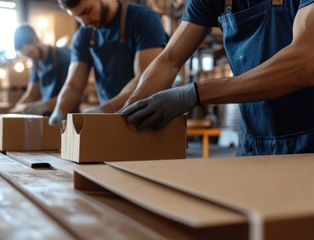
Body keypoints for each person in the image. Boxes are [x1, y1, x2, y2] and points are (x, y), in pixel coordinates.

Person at [122, 1, 314, 156]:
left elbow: (306, 62)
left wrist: (192, 95)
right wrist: (129, 113)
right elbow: (169, 59)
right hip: (254, 143)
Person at [49, 0, 167, 124]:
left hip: (147, 119)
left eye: (86, 11)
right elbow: (73, 85)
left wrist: (105, 109)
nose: (84, 22)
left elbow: (147, 79)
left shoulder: (142, 19)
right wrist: (59, 111)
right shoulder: (84, 34)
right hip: (111, 122)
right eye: (78, 17)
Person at [10, 24, 71, 115]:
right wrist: (16, 110)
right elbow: (32, 95)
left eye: (30, 53)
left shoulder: (63, 56)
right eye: (27, 56)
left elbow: (71, 94)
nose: (31, 58)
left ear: (35, 40)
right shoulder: (36, 64)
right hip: (49, 115)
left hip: (67, 114)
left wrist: (42, 106)